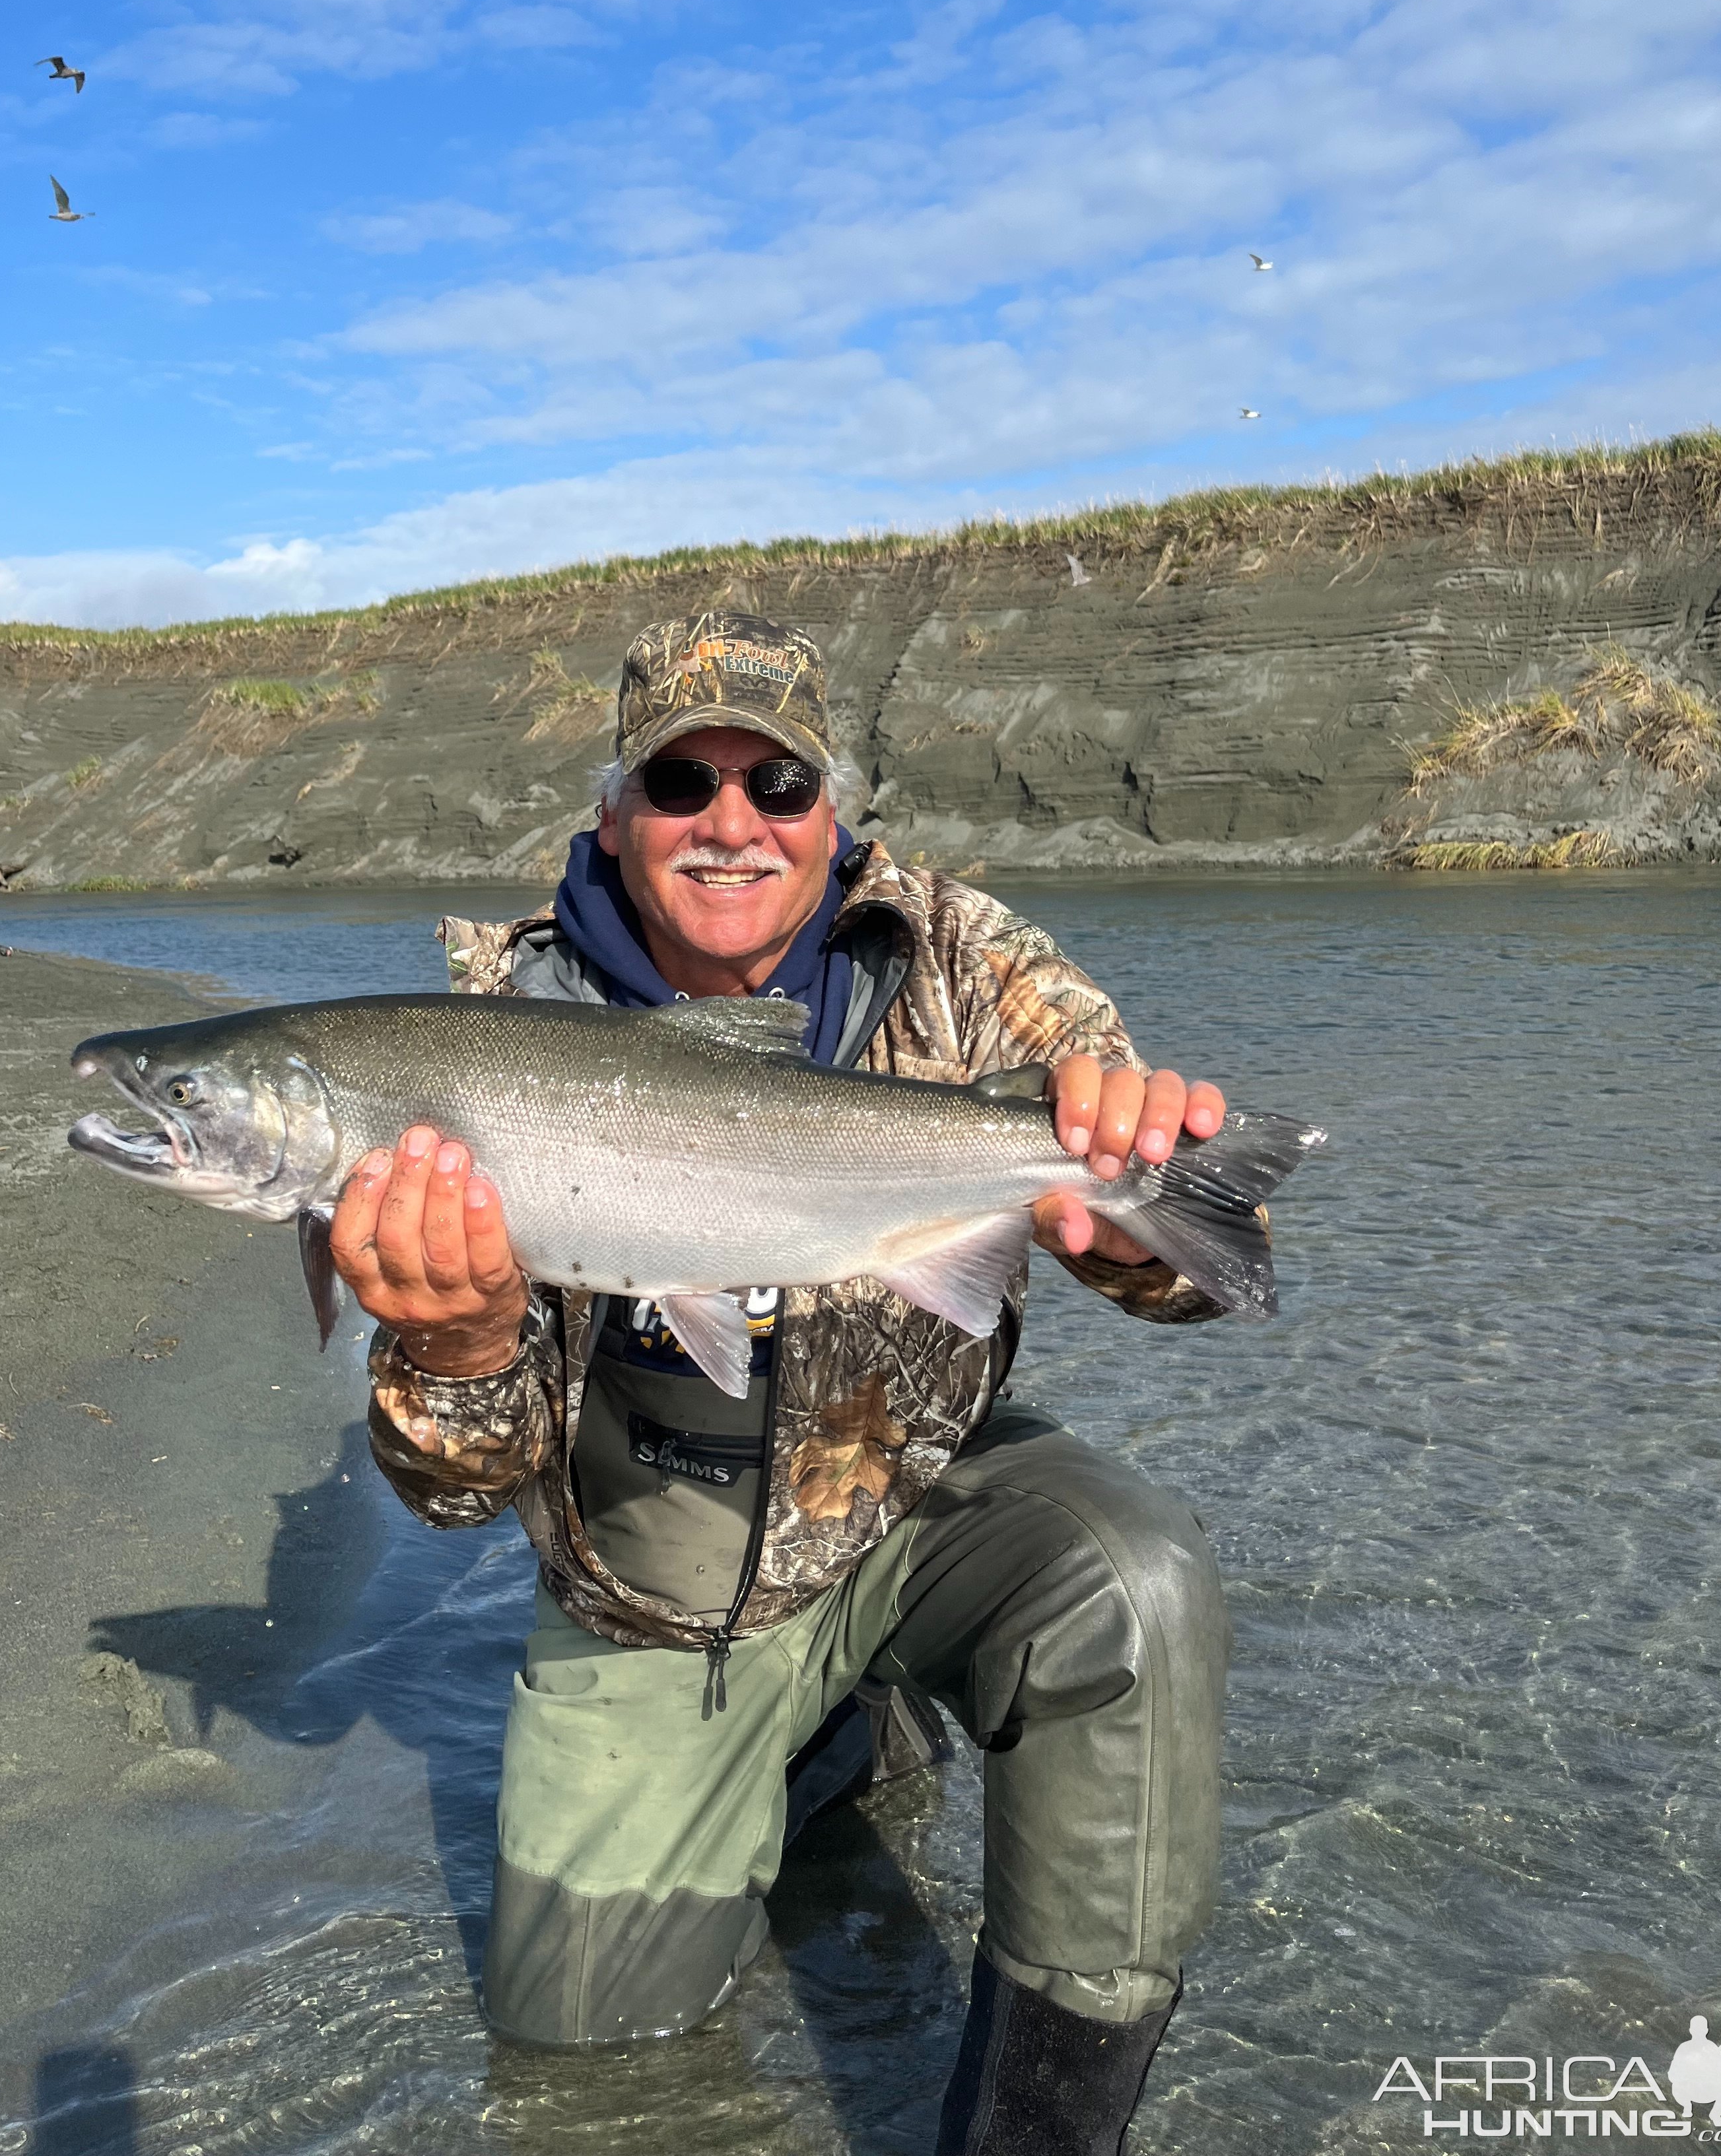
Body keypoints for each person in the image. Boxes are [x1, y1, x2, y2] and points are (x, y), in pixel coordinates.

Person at [331, 609, 1244, 2156]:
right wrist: (459, 1341)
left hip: (916, 1493)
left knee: (1133, 1584)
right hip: (654, 1596)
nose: (731, 824)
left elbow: (1210, 1262)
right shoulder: (490, 1038)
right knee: (579, 2077)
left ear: (840, 816)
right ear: (615, 817)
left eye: (780, 786)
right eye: (683, 782)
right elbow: (450, 1492)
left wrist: (1135, 1212)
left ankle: (1037, 2131)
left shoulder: (968, 961)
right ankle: (826, 1739)